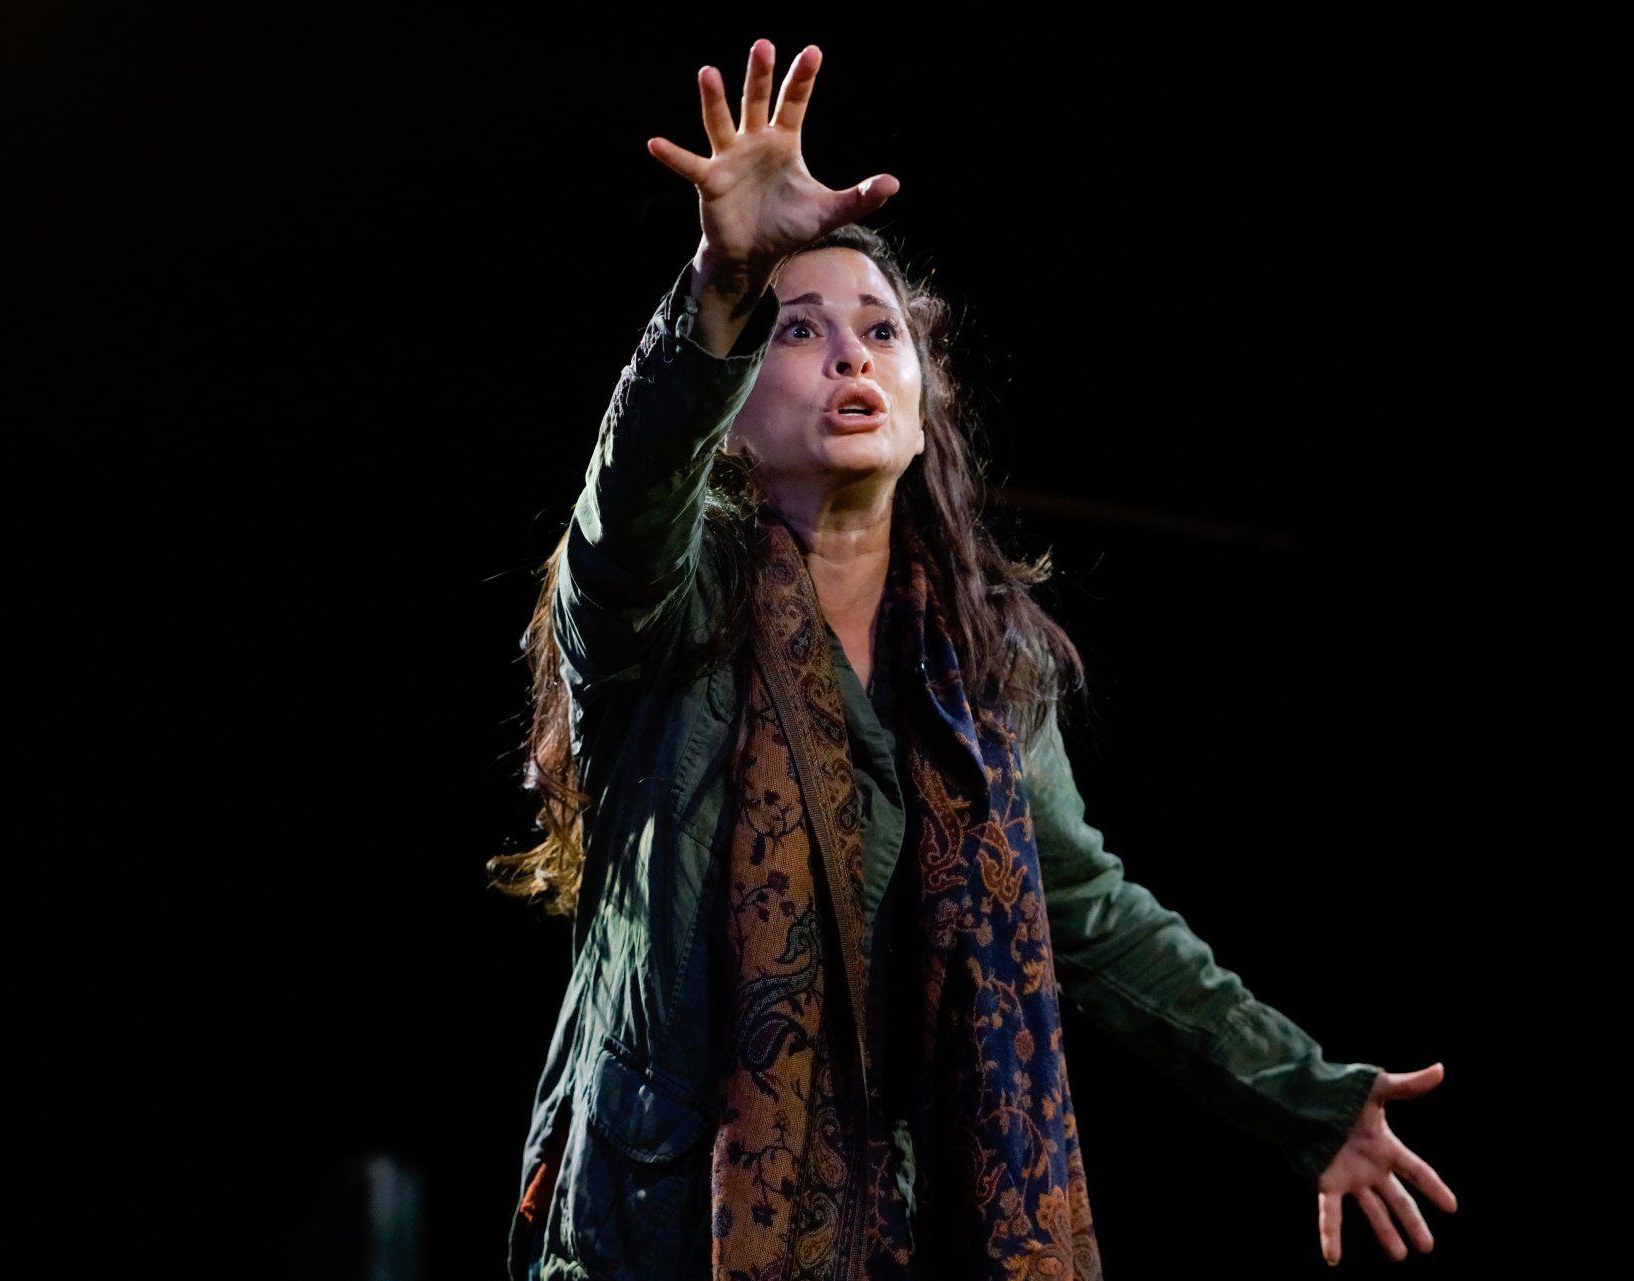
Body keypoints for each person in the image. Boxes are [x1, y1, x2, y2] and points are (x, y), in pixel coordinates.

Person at [494, 38, 1457, 1280]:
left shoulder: (981, 669)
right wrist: (718, 288)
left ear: (922, 399)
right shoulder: (659, 621)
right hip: (661, 1234)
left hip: (897, 1234)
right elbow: (620, 523)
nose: (850, 354)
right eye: (798, 330)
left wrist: (1306, 1098)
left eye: (880, 330)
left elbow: (1093, 920)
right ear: (731, 407)